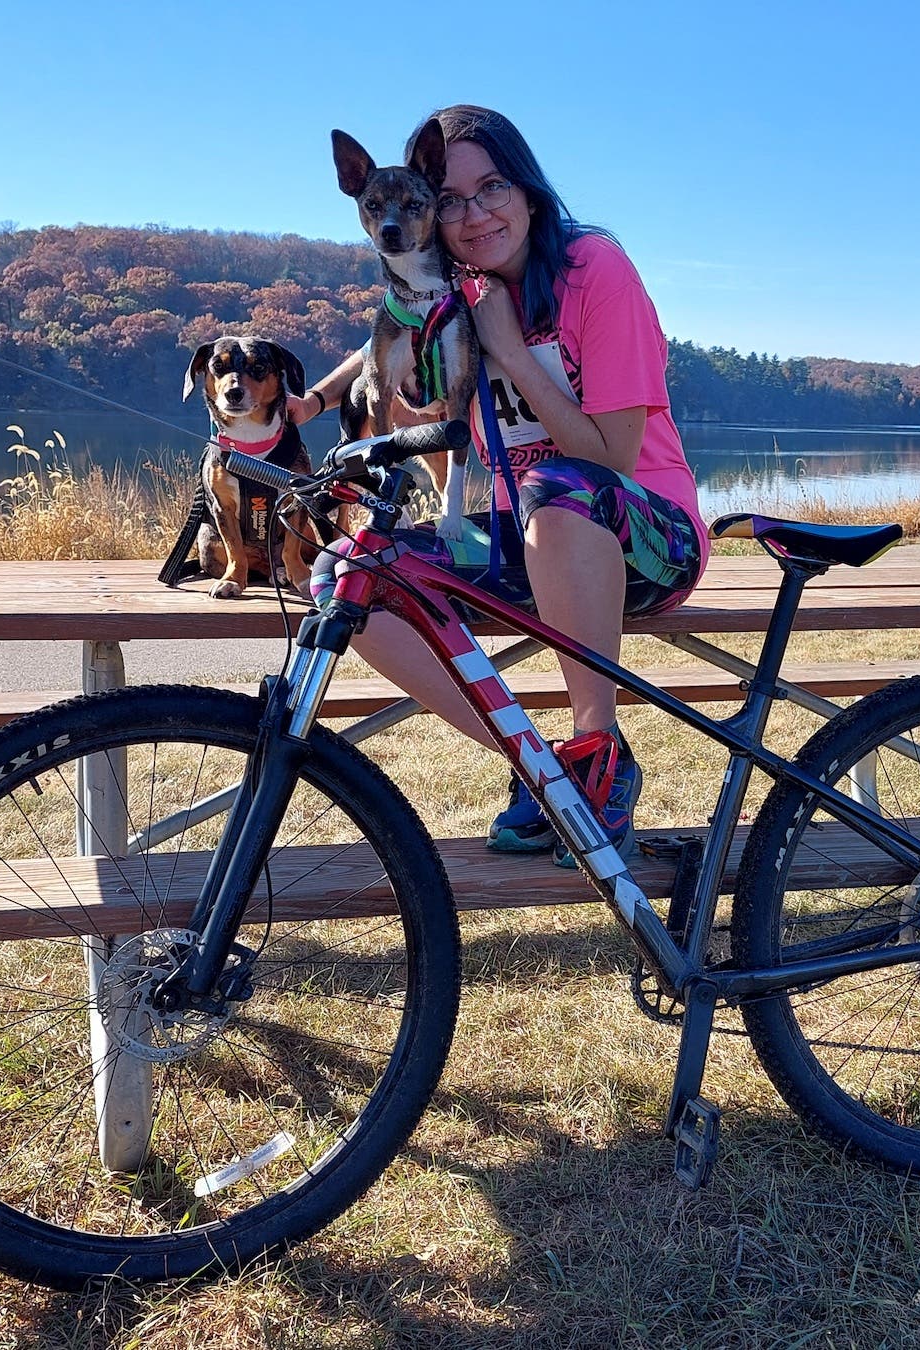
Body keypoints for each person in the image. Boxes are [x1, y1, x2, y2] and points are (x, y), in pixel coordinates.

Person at [292, 104, 706, 867]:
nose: (475, 212)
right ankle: (539, 767)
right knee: (349, 574)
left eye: (494, 188)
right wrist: (334, 403)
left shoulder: (592, 271)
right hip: (535, 533)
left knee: (559, 486)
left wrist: (512, 354)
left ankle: (595, 754)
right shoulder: (460, 296)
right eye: (451, 200)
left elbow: (614, 455)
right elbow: (383, 347)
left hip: (651, 537)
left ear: (528, 189)